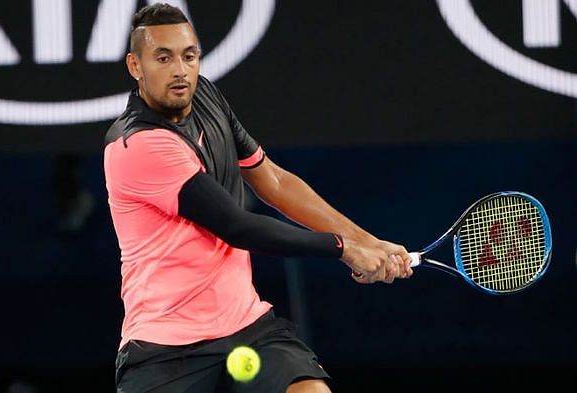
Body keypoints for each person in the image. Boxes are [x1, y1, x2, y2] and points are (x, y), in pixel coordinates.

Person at [103, 4, 413, 393]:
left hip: (247, 326)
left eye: (189, 55)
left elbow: (274, 182)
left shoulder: (206, 98)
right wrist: (343, 248)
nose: (180, 69)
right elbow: (238, 226)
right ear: (136, 66)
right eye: (162, 58)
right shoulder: (137, 146)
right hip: (166, 349)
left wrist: (367, 241)